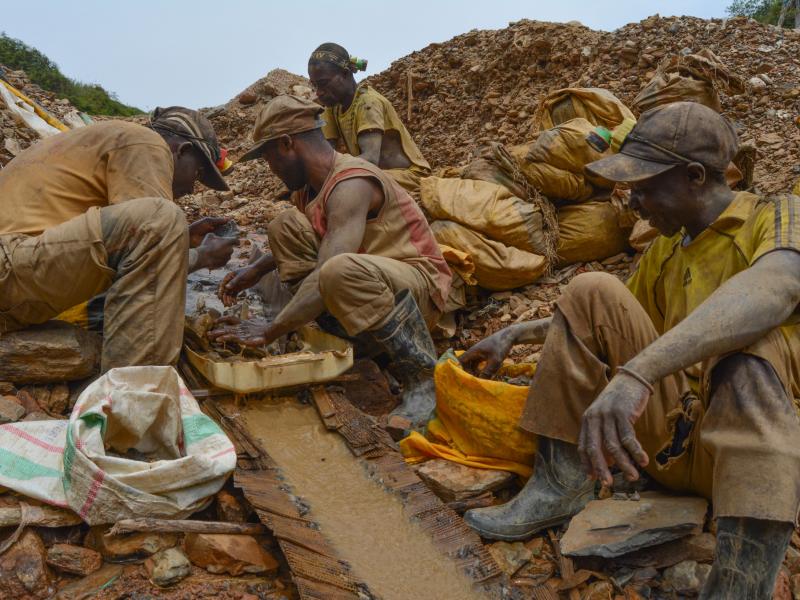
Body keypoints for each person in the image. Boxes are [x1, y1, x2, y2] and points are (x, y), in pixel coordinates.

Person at [459, 102, 800, 599]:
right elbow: (605, 316)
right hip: (664, 444)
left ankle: (739, 584)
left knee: (748, 356)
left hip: (750, 460)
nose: (633, 203)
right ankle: (559, 487)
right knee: (590, 288)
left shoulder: (778, 215)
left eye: (644, 187)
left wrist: (638, 373)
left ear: (694, 176)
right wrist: (516, 334)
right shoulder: (668, 248)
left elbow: (777, 289)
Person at [210, 95, 451, 429]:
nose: (271, 169)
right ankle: (352, 344)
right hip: (368, 282)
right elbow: (319, 240)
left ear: (287, 143)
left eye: (269, 158)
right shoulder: (308, 190)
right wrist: (254, 270)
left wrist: (272, 328)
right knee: (284, 227)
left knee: (337, 270)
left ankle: (423, 379)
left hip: (417, 289)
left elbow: (329, 267)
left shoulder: (351, 182)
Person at [0, 107, 237, 372]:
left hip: (15, 266)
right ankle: (134, 393)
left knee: (163, 223)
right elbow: (152, 232)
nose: (193, 187)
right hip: (10, 265)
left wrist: (184, 238)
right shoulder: (148, 143)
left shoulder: (107, 139)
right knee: (163, 218)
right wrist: (200, 256)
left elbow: (127, 247)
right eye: (198, 174)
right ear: (182, 150)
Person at [307, 42, 431, 193]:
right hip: (374, 174)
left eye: (323, 83)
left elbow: (371, 159)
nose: (319, 92)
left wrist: (332, 172)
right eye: (315, 85)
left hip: (409, 177)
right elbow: (326, 155)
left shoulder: (368, 103)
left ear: (345, 74)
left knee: (347, 186)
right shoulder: (333, 107)